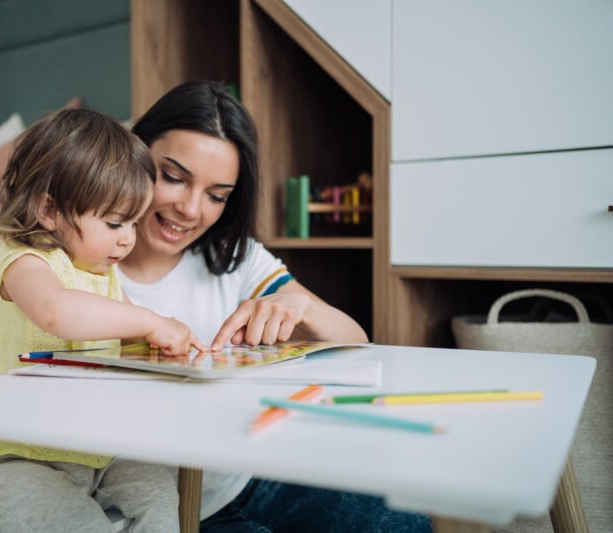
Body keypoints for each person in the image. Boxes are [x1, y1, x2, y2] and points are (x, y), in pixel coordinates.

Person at [118, 81, 432, 532]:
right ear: (134, 153)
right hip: (158, 509)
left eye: (217, 195)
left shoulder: (235, 259)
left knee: (403, 526)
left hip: (249, 477)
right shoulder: (80, 268)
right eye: (173, 177)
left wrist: (297, 306)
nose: (190, 209)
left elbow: (355, 339)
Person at [0, 108, 205, 532]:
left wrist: (162, 351)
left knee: (163, 494)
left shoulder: (101, 272)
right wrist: (148, 320)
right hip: (10, 460)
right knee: (82, 526)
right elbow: (56, 312)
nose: (128, 238)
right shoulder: (23, 260)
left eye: (133, 221)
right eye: (114, 223)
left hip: (92, 450)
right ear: (50, 210)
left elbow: (125, 341)